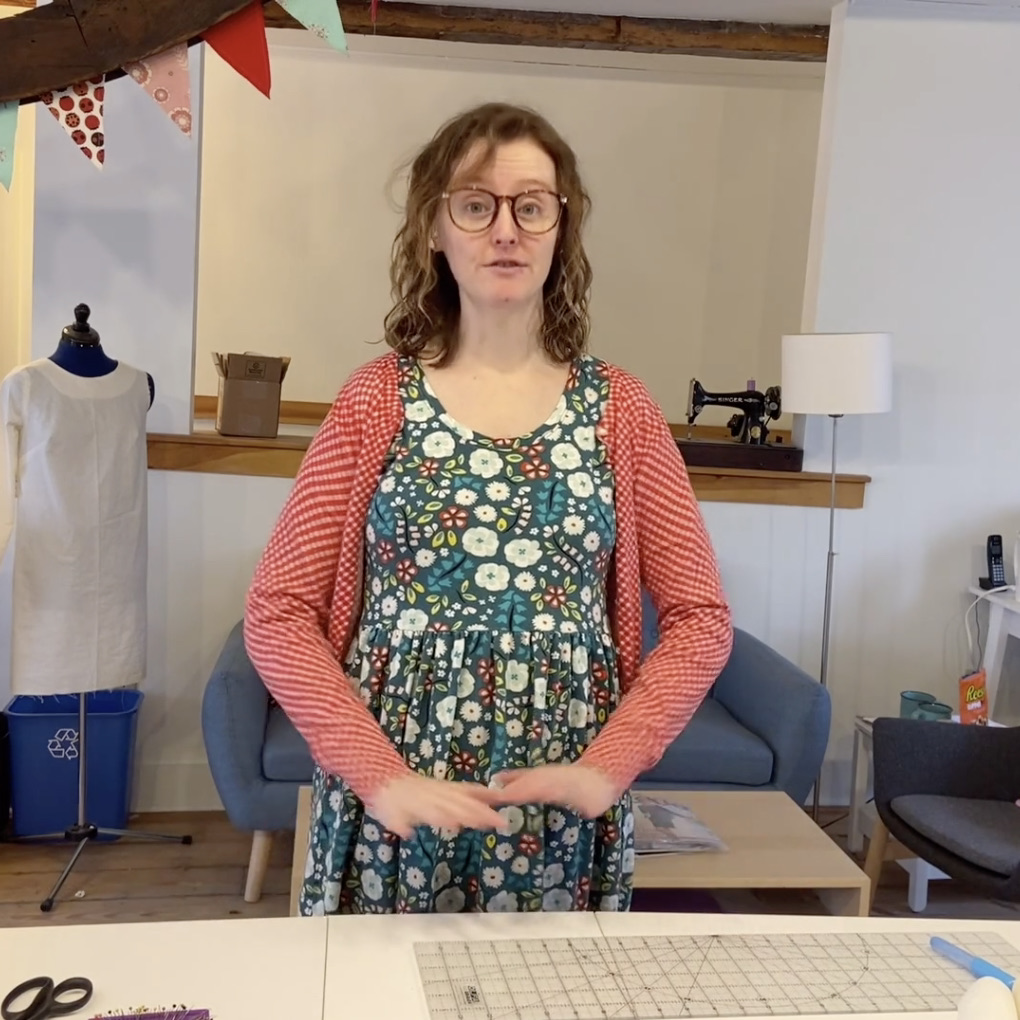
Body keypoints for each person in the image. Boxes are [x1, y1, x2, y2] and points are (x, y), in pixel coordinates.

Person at [243, 101, 733, 915]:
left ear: (559, 229)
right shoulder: (375, 403)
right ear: (436, 228)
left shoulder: (622, 410)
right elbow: (279, 610)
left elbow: (700, 618)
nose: (505, 229)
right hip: (397, 802)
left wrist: (609, 766)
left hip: (559, 811)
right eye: (476, 203)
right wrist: (379, 775)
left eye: (531, 204)